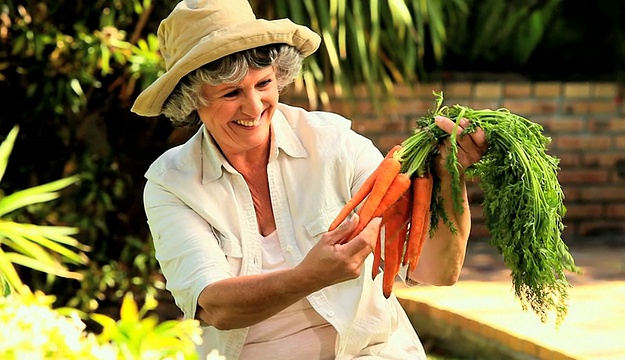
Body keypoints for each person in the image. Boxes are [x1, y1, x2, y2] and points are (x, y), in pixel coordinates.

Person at [131, 1, 487, 359]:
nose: (254, 108)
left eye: (264, 83)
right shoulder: (172, 184)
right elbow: (216, 307)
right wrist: (310, 275)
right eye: (231, 93)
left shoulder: (334, 144)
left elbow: (435, 271)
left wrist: (448, 177)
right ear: (193, 100)